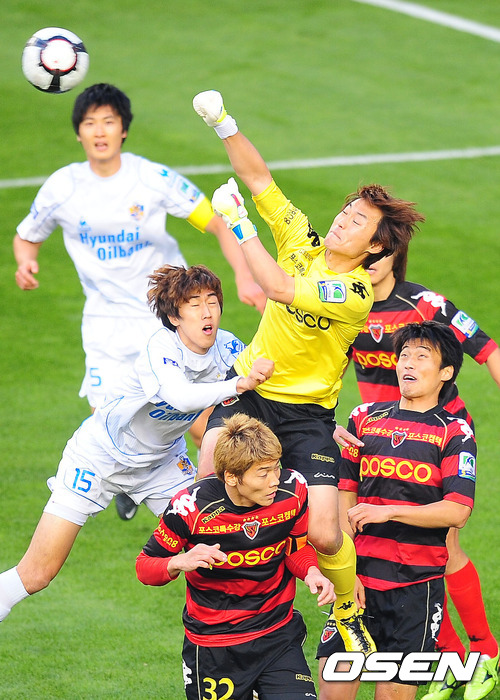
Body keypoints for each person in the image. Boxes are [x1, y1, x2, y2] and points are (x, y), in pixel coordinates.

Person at [191, 89, 425, 653]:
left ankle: (346, 608)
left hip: (306, 416)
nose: (343, 221)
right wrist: (222, 122)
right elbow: (259, 178)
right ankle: (234, 600)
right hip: (251, 394)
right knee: (208, 483)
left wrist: (239, 225)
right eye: (345, 212)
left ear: (375, 246)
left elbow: (275, 287)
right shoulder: (302, 240)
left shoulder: (354, 292)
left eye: (358, 221)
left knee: (323, 531)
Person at [13, 83, 266, 520]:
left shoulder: (151, 179)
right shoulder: (62, 188)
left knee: (200, 417)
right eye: (90, 123)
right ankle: (133, 486)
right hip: (106, 326)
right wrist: (26, 262)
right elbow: (26, 235)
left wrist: (244, 276)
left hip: (168, 319)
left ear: (124, 129)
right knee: (112, 424)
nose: (100, 131)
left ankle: (211, 505)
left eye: (109, 121)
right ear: (78, 132)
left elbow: (217, 222)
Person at [0, 264, 273, 622]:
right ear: (174, 317)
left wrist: (324, 426)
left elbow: (273, 392)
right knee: (37, 574)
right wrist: (237, 384)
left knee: (219, 539)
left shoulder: (228, 347)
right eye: (194, 304)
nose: (207, 312)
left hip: (161, 465)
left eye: (212, 301)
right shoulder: (160, 348)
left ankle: (233, 634)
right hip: (99, 459)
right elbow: (179, 397)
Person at [339, 250, 500, 700]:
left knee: (440, 547)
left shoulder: (425, 305)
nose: (367, 259)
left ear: (395, 253)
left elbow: (487, 350)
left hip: (435, 432)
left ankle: (484, 653)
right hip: (376, 436)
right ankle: (448, 657)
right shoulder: (344, 306)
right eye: (362, 249)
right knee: (392, 549)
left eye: (378, 250)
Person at [317, 320, 476, 700]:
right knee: (333, 692)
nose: (409, 363)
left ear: (445, 372)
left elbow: (457, 510)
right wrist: (347, 573)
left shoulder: (454, 432)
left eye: (422, 356)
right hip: (357, 583)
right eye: (404, 354)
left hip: (415, 590)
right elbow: (344, 494)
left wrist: (389, 512)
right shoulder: (364, 417)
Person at [136, 413, 335, 700]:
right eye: (263, 473)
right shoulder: (190, 508)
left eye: (276, 468)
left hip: (277, 635)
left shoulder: (293, 490)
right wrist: (178, 562)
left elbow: (295, 547)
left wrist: (311, 572)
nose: (274, 481)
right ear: (231, 476)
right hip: (215, 646)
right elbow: (144, 567)